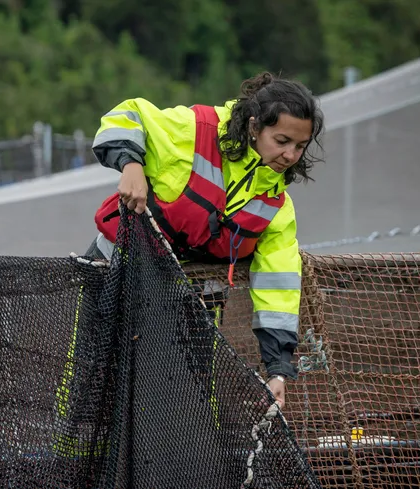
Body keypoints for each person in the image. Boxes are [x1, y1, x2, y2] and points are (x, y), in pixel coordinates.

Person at [91, 71, 323, 408]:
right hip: (118, 274)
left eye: (300, 146)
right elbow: (127, 115)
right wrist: (130, 165)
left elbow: (279, 287)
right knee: (95, 382)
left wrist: (277, 371)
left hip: (197, 303)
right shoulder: (194, 129)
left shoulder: (277, 207)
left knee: (191, 400)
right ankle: (74, 457)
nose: (290, 156)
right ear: (254, 127)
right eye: (282, 141)